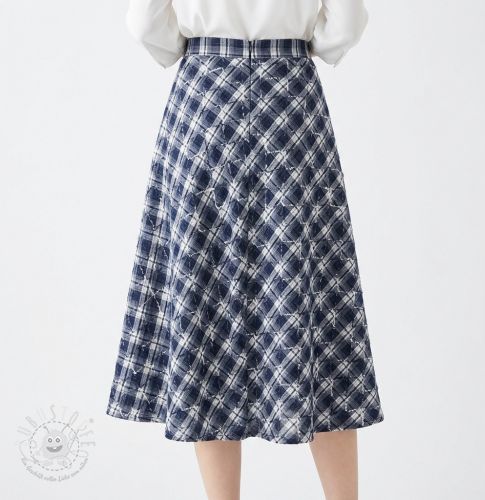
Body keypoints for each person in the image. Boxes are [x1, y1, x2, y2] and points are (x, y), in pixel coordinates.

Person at [107, 1, 384, 499]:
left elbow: (147, 23)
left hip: (205, 100)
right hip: (289, 101)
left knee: (205, 301)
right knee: (319, 305)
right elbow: (345, 24)